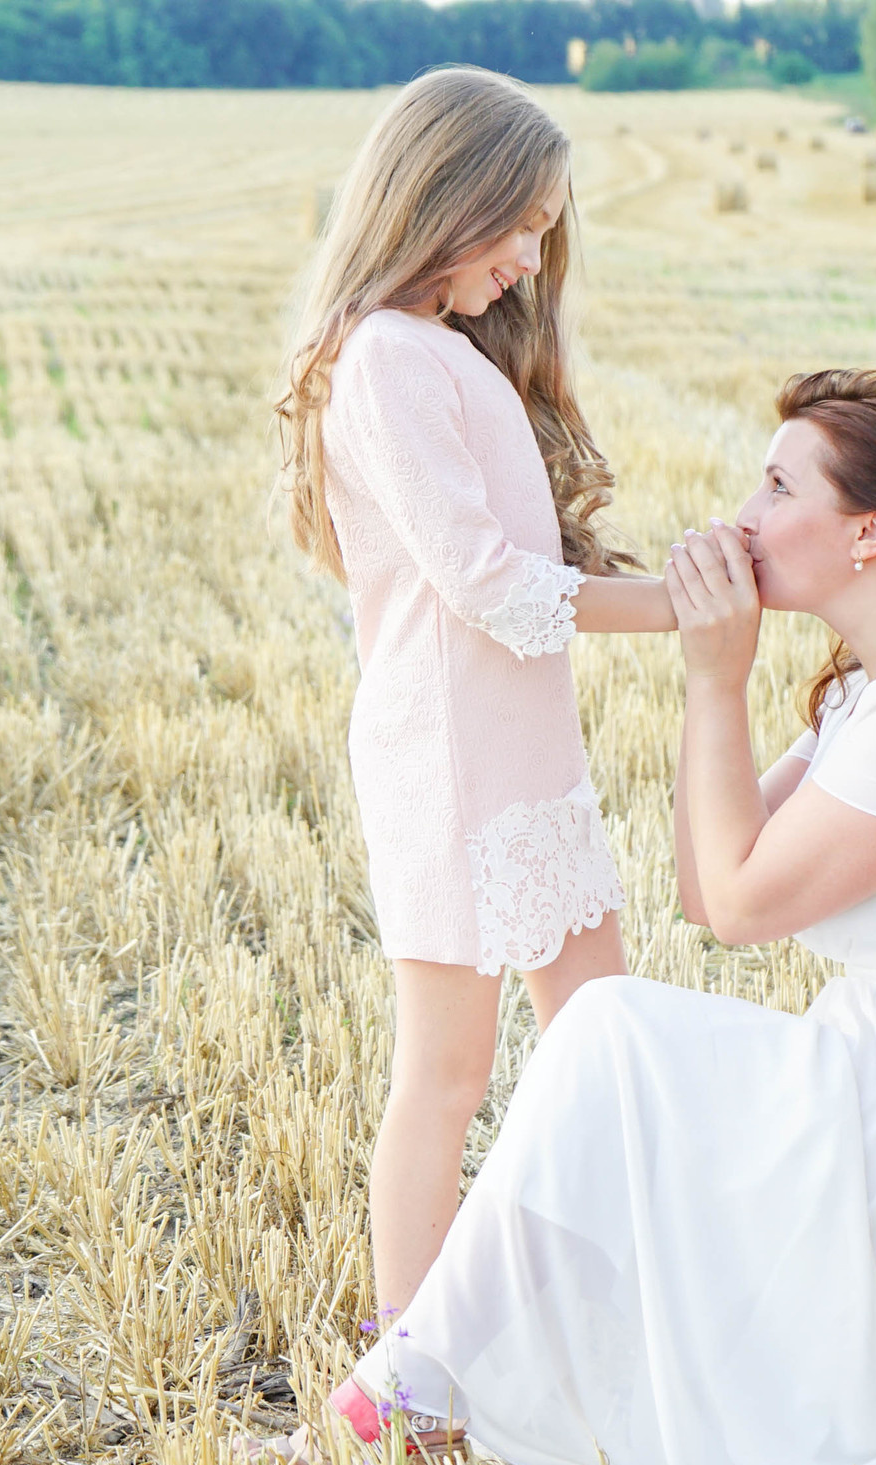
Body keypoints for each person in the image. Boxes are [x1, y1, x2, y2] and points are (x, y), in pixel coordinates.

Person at [293, 369, 876, 1465]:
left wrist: (714, 679)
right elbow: (705, 882)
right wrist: (710, 685)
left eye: (777, 488)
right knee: (613, 1053)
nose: (742, 516)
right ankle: (415, 1390)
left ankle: (401, 1398)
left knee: (613, 1036)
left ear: (868, 533)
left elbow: (732, 905)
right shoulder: (875, 690)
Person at [274, 68, 676, 1359]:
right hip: (447, 773)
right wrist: (680, 608)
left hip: (527, 767)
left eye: (547, 233)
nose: (531, 260)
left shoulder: (441, 353)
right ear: (450, 195)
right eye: (523, 226)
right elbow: (492, 589)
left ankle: (594, 1337)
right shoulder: (384, 362)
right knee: (443, 1083)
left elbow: (525, 566)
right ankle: (409, 1388)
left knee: (598, 1054)